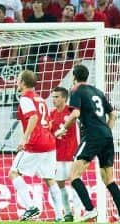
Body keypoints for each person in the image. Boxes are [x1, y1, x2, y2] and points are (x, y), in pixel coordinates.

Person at [54, 64, 120, 222]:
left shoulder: (76, 90)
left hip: (92, 135)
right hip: (106, 136)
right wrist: (106, 132)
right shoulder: (98, 91)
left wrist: (62, 128)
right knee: (108, 179)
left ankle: (90, 210)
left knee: (73, 175)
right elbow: (112, 115)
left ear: (74, 77)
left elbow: (75, 113)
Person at [9, 70, 64, 222]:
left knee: (13, 173)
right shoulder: (40, 99)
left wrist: (24, 139)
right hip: (49, 142)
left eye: (18, 79)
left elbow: (33, 117)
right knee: (49, 178)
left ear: (23, 83)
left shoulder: (25, 98)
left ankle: (31, 207)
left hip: (36, 142)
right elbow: (45, 120)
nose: (16, 82)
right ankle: (60, 216)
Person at [49, 86, 78, 222]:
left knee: (76, 184)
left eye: (56, 97)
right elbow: (49, 134)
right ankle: (67, 213)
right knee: (60, 186)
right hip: (58, 156)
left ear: (64, 98)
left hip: (72, 154)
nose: (53, 99)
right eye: (52, 97)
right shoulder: (51, 114)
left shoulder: (72, 111)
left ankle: (78, 212)